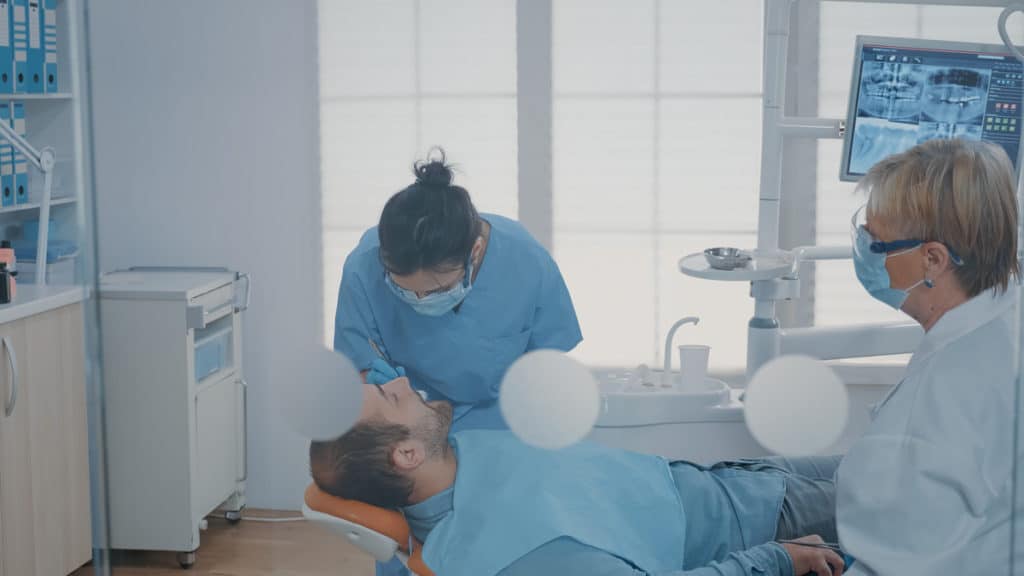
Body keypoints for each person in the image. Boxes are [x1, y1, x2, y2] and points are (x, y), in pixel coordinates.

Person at [310, 378, 848, 576]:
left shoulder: (455, 456)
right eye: (389, 397)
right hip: (757, 520)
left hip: (731, 482)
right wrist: (778, 559)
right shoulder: (519, 552)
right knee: (922, 492)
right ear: (406, 454)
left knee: (890, 464)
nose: (402, 380)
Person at [837, 138, 1020, 574]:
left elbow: (896, 563)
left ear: (933, 259)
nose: (863, 250)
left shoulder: (937, 408)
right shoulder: (1003, 311)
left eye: (874, 242)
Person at [333, 149, 582, 433]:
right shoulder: (363, 268)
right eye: (404, 291)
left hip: (504, 428)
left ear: (474, 252)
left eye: (437, 290)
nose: (420, 302)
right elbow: (361, 367)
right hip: (414, 430)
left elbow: (547, 366)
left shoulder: (524, 260)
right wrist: (381, 388)